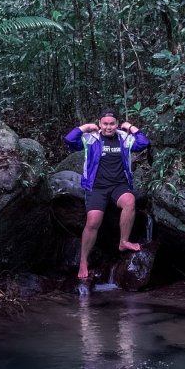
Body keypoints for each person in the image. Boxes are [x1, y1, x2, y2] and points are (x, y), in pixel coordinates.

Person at [65, 109, 150, 279]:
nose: (108, 127)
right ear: (100, 123)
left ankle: (123, 242)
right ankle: (83, 260)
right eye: (105, 124)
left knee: (130, 201)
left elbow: (143, 143)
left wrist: (130, 127)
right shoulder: (92, 138)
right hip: (97, 186)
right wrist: (86, 127)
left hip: (119, 185)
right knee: (93, 221)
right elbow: (69, 140)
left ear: (117, 124)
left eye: (112, 124)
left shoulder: (124, 138)